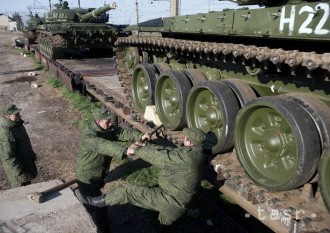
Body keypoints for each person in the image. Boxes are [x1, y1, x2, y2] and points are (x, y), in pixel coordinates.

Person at [79, 127, 207, 233]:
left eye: (185, 137)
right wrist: (148, 145)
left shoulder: (185, 159)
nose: (183, 138)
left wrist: (138, 149)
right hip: (177, 202)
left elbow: (159, 158)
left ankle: (95, 202)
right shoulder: (197, 154)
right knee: (165, 227)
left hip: (168, 200)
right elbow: (170, 152)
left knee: (129, 192)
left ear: (189, 142)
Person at [74, 108, 149, 231]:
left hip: (98, 174)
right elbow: (104, 145)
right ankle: (101, 229)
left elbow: (122, 133)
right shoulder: (89, 136)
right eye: (107, 122)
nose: (110, 124)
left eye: (110, 122)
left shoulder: (106, 129)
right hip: (87, 176)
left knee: (94, 204)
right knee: (98, 209)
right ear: (98, 122)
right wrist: (124, 151)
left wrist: (140, 136)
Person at [0, 104, 38, 188]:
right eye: (16, 114)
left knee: (28, 187)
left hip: (25, 164)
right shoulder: (7, 133)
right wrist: (19, 174)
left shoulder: (17, 125)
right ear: (8, 116)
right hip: (17, 172)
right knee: (21, 192)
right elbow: (8, 157)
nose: (20, 116)